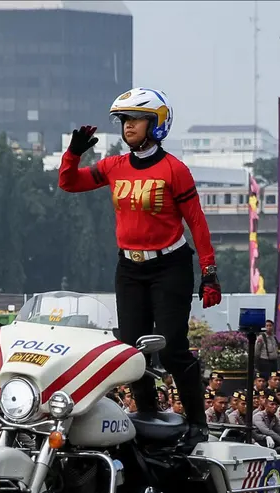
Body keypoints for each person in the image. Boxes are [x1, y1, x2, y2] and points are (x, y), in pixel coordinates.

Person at [59, 87, 221, 448]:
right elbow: (68, 184)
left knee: (172, 347)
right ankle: (148, 417)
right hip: (129, 268)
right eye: (124, 120)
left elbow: (196, 221)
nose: (127, 127)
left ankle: (197, 423)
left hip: (170, 267)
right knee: (132, 349)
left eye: (135, 120)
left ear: (156, 124)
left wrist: (209, 272)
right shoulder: (114, 166)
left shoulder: (174, 169)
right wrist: (73, 153)